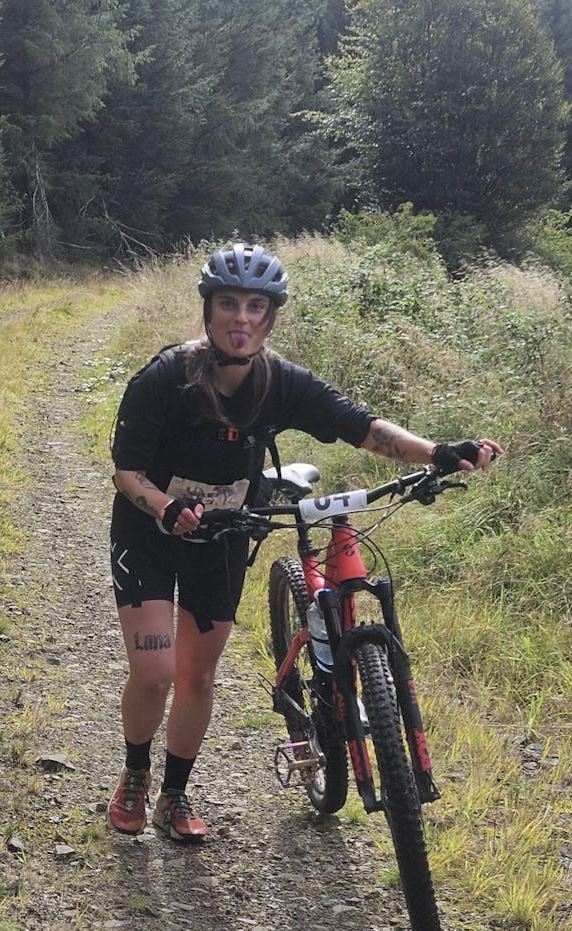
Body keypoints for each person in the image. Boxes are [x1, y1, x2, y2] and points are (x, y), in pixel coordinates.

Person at [105, 243, 502, 843]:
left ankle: (174, 794)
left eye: (255, 307)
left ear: (271, 316)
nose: (241, 319)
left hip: (226, 534)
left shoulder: (279, 382)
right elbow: (126, 472)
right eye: (229, 304)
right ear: (208, 312)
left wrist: (436, 452)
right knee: (157, 672)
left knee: (197, 679)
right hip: (151, 531)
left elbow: (362, 428)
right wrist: (166, 507)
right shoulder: (166, 377)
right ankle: (136, 773)